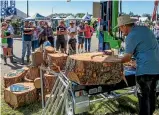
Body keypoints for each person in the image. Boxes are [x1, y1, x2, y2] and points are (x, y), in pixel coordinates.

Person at [113, 15, 159, 115]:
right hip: (156, 67)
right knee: (151, 94)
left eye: (120, 27)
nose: (120, 30)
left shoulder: (131, 35)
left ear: (125, 26)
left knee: (143, 97)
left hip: (144, 70)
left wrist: (114, 61)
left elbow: (127, 58)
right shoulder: (145, 29)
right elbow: (148, 48)